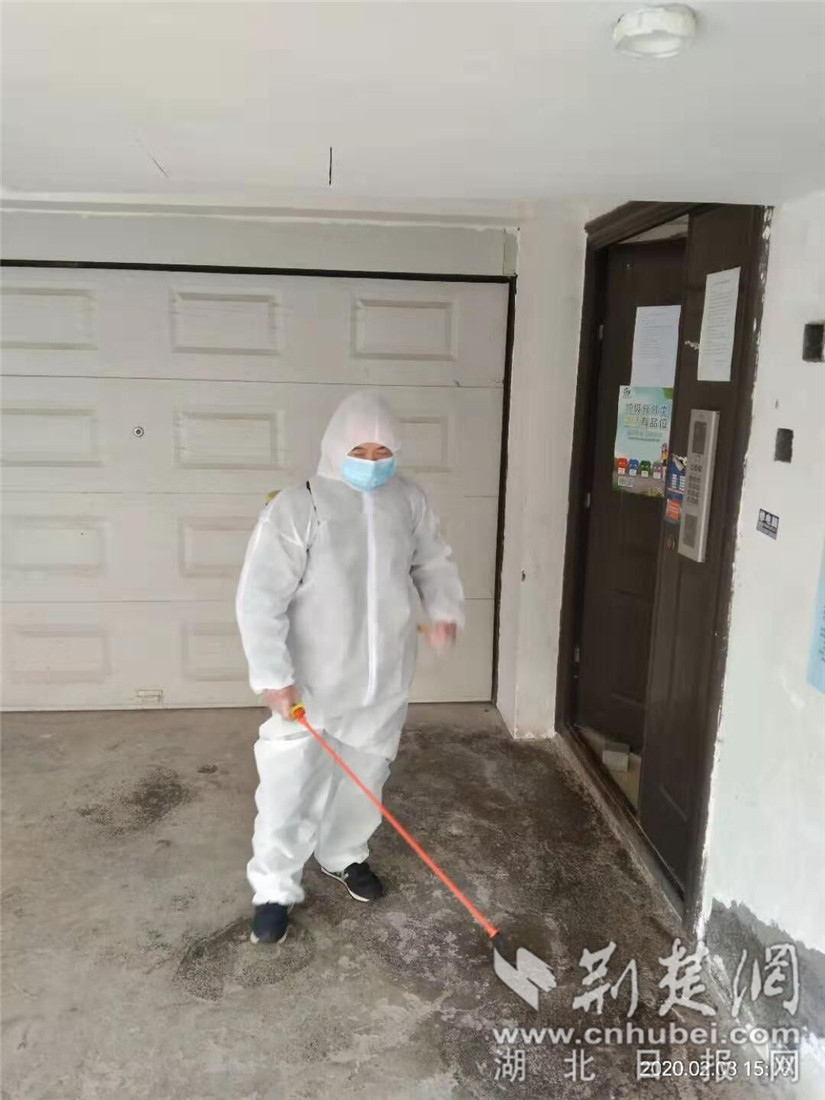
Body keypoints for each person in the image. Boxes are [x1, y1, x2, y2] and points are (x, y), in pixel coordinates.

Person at [235, 390, 464, 945]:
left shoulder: (407, 501)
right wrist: (272, 675)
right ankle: (274, 887)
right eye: (359, 450)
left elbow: (433, 560)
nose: (371, 461)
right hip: (311, 682)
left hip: (382, 679)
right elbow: (259, 597)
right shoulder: (298, 506)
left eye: (382, 451)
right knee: (291, 786)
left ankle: (343, 854)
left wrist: (443, 610)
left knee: (365, 777)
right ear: (335, 446)